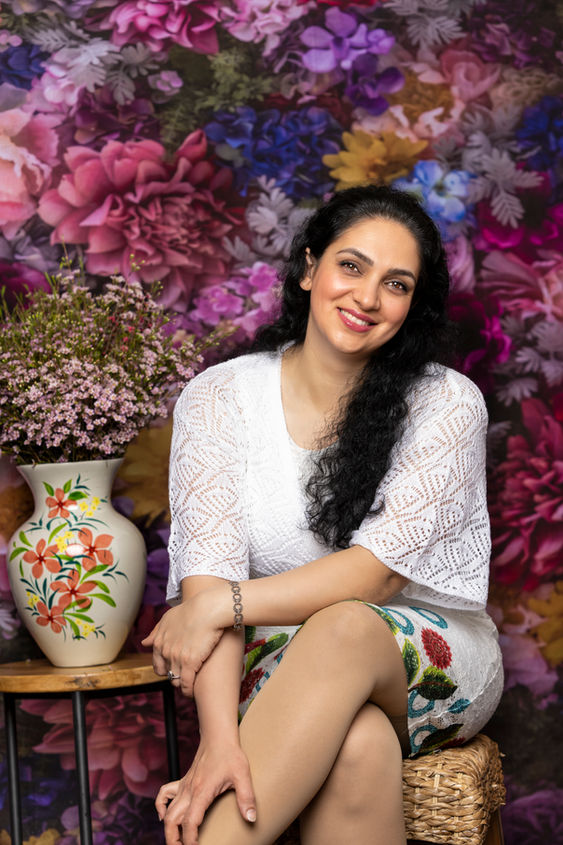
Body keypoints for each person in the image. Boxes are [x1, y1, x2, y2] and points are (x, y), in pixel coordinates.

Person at [143, 185, 504, 845]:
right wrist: (219, 742)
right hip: (275, 658)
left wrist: (218, 603)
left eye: (395, 284)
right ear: (310, 268)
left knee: (341, 625)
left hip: (428, 660)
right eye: (351, 266)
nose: (366, 297)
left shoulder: (447, 402)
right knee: (357, 744)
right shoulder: (219, 397)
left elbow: (372, 580)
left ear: (411, 305)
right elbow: (206, 592)